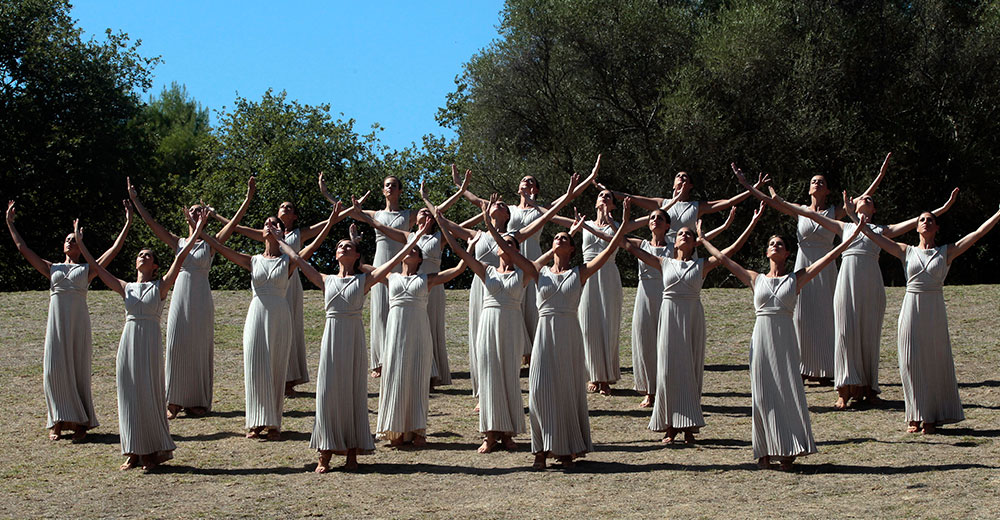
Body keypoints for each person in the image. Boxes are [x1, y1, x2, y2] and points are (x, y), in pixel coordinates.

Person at [733, 166, 959, 408]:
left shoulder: (881, 231)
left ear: (874, 209)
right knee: (843, 331)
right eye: (862, 198)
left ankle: (869, 387)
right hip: (846, 281)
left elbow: (917, 222)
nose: (865, 199)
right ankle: (843, 388)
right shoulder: (844, 227)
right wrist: (757, 190)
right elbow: (807, 214)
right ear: (854, 204)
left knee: (869, 335)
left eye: (870, 200)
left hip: (871, 285)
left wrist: (942, 208)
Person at [699, 217, 865, 470]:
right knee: (762, 393)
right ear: (767, 252)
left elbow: (829, 257)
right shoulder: (755, 278)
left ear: (788, 253)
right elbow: (723, 259)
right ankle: (764, 451)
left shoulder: (796, 279)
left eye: (780, 244)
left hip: (785, 338)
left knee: (787, 390)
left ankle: (788, 449)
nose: (775, 246)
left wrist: (851, 237)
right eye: (771, 244)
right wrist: (703, 240)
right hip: (761, 339)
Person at [273, 215, 425, 472]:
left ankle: (352, 453)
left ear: (356, 256)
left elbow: (394, 261)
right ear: (335, 255)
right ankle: (324, 453)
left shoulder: (364, 280)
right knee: (327, 395)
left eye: (349, 246)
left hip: (353, 339)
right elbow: (297, 259)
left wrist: (416, 238)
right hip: (331, 339)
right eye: (340, 246)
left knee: (353, 394)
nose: (344, 248)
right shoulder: (326, 280)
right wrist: (280, 241)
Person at [436, 160, 598, 398]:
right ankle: (483, 390)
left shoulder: (523, 227)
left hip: (517, 274)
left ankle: (524, 370)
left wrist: (577, 187)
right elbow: (451, 220)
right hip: (486, 282)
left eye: (531, 181)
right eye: (523, 180)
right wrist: (459, 186)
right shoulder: (482, 231)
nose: (526, 182)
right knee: (482, 335)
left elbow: (553, 211)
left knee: (522, 319)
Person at [436, 191, 576, 453]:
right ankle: (489, 434)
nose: (506, 246)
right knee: (490, 376)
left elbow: (548, 257)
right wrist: (441, 222)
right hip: (488, 325)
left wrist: (565, 240)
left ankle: (509, 433)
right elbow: (457, 250)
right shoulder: (485, 271)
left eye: (512, 244)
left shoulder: (524, 274)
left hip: (511, 326)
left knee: (510, 377)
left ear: (517, 251)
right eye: (504, 243)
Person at [733, 156, 889, 384]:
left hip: (826, 265)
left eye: (821, 182)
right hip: (804, 263)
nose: (817, 183)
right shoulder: (801, 210)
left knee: (827, 315)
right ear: (809, 189)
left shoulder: (835, 213)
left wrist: (880, 175)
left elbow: (863, 198)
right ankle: (803, 367)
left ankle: (828, 368)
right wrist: (746, 184)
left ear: (828, 191)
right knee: (801, 315)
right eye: (814, 181)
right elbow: (771, 201)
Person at [75, 210, 209, 471]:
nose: (143, 257)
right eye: (140, 254)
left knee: (148, 394)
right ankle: (132, 451)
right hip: (128, 343)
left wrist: (197, 231)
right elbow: (98, 269)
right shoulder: (126, 287)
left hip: (149, 343)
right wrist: (82, 245)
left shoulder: (161, 286)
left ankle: (150, 451)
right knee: (128, 396)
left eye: (148, 255)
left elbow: (181, 257)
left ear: (155, 266)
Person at [199, 206, 341, 440]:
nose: (269, 226)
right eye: (266, 223)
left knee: (276, 368)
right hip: (256, 315)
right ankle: (255, 422)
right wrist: (198, 229)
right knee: (255, 367)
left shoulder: (288, 261)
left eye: (274, 224)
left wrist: (330, 222)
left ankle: (274, 423)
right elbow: (220, 248)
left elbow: (313, 247)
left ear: (283, 232)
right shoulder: (253, 260)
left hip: (280, 316)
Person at [856, 206, 1000, 433]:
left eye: (930, 220)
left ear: (937, 227)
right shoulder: (906, 250)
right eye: (922, 220)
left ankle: (931, 416)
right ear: (916, 228)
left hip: (934, 310)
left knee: (934, 361)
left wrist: (998, 214)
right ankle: (915, 414)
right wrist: (854, 216)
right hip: (911, 307)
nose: (926, 222)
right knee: (910, 361)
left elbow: (978, 233)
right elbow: (874, 236)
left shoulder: (946, 252)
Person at [628, 205, 765, 444]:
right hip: (668, 318)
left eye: (688, 235)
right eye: (680, 233)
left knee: (690, 370)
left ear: (694, 243)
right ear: (675, 241)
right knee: (667, 370)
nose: (683, 235)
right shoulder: (663, 262)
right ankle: (670, 426)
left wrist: (752, 222)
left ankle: (689, 425)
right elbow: (628, 246)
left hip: (691, 318)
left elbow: (731, 250)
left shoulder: (701, 264)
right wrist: (623, 220)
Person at [128, 176, 255, 418]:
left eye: (200, 210)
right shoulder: (178, 242)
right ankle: (174, 401)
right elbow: (151, 223)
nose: (197, 213)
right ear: (186, 214)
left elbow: (235, 223)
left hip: (201, 296)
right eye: (193, 210)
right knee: (177, 344)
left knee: (199, 345)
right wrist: (136, 200)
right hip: (180, 294)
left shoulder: (211, 242)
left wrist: (247, 198)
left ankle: (197, 400)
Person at [6, 199, 131, 441]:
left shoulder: (87, 269)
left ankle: (81, 423)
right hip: (56, 325)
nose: (70, 242)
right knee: (53, 370)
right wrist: (10, 224)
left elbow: (114, 250)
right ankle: (57, 420)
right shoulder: (52, 268)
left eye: (74, 239)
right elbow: (23, 248)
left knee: (77, 370)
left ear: (81, 246)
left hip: (77, 324)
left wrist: (127, 223)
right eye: (67, 239)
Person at [321, 172, 465, 379]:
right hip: (381, 261)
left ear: (400, 190)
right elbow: (346, 211)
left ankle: (402, 355)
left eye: (393, 185)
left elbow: (438, 212)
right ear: (383, 190)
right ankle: (380, 361)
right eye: (387, 185)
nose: (390, 188)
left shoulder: (409, 215)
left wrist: (457, 192)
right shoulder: (375, 214)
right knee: (380, 310)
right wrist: (327, 194)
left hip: (403, 262)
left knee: (399, 310)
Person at [214, 186, 354, 396]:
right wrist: (215, 216)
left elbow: (328, 223)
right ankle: (271, 376)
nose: (285, 209)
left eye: (289, 207)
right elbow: (238, 227)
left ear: (295, 215)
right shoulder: (266, 233)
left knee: (290, 327)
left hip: (290, 279)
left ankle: (289, 378)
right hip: (269, 281)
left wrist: (350, 210)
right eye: (282, 206)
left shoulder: (299, 233)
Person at [529, 198, 632, 470]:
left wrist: (622, 222)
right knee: (538, 389)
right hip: (543, 335)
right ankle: (540, 449)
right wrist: (491, 227)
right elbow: (510, 251)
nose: (560, 239)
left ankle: (566, 449)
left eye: (565, 238)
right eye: (557, 237)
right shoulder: (538, 272)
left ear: (573, 248)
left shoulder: (580, 272)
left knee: (567, 389)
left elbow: (608, 250)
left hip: (570, 335)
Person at [610, 202, 734, 406]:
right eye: (652, 218)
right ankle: (650, 391)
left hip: (668, 296)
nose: (655, 220)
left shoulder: (674, 247)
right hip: (645, 296)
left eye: (660, 218)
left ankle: (666, 388)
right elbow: (617, 240)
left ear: (668, 225)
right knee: (645, 342)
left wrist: (725, 225)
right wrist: (616, 222)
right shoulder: (642, 244)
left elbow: (701, 245)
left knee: (666, 344)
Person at [374, 224, 470, 447]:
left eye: (415, 250)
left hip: (419, 334)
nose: (411, 251)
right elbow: (364, 268)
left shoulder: (427, 279)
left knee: (417, 379)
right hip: (395, 335)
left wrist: (470, 249)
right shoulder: (390, 276)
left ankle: (418, 430)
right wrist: (355, 242)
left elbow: (457, 270)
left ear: (420, 259)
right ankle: (395, 429)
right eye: (408, 248)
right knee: (395, 379)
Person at [599, 170, 764, 245]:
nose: (681, 178)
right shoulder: (662, 203)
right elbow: (632, 197)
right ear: (673, 184)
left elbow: (728, 202)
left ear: (690, 185)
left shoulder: (697, 206)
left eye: (685, 177)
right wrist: (607, 192)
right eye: (678, 176)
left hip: (687, 248)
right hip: (663, 248)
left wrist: (752, 188)